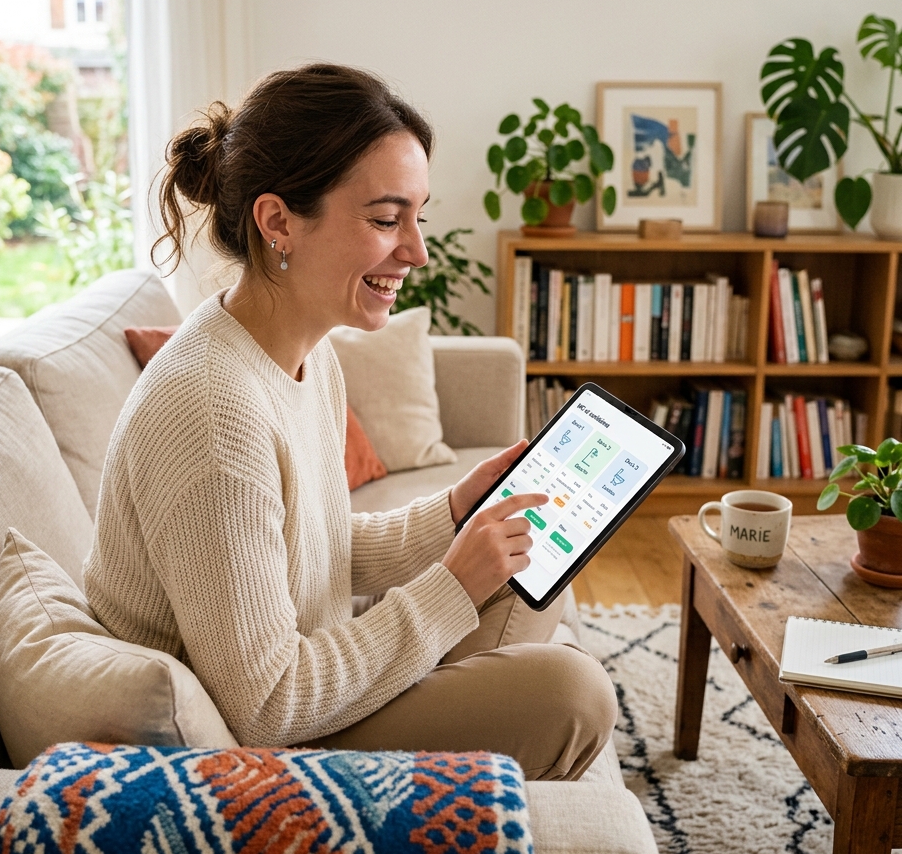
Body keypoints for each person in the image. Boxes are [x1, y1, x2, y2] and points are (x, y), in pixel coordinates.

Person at [84, 63, 617, 780]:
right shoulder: (213, 410)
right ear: (278, 222)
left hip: (309, 680)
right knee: (573, 693)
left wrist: (455, 514)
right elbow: (266, 705)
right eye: (383, 219)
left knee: (523, 574)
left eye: (417, 217)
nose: (416, 251)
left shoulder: (307, 355)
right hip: (256, 753)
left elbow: (315, 545)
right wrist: (450, 588)